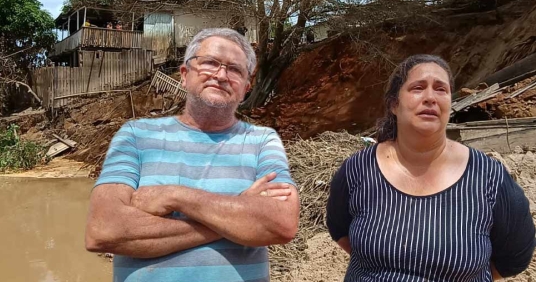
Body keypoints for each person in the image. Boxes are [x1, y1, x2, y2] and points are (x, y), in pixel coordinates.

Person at [85, 28, 300, 282]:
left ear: (245, 89)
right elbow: (103, 230)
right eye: (210, 63)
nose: (221, 75)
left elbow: (281, 223)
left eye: (235, 70)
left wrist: (175, 196)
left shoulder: (262, 141)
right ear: (185, 75)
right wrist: (237, 211)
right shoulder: (135, 135)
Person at [326, 54, 535, 281]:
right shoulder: (359, 169)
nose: (430, 97)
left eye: (440, 89)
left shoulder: (488, 177)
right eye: (418, 87)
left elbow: (515, 256)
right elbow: (340, 228)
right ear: (394, 104)